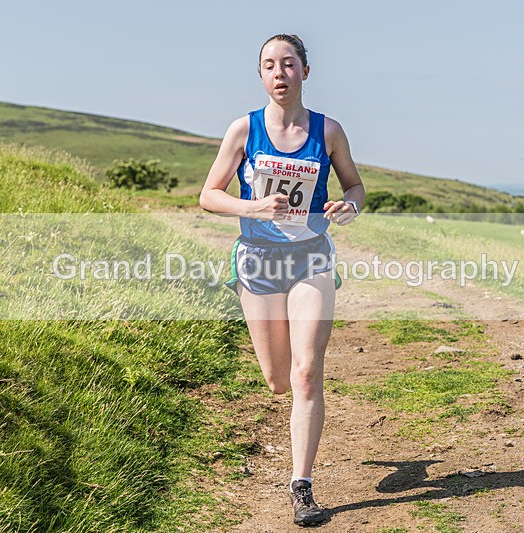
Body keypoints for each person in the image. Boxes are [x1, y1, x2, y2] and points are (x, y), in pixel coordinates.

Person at [199, 33, 365, 527]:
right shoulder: (243, 130)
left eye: (288, 64)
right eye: (269, 65)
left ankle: (302, 486)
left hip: (312, 257)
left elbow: (355, 186)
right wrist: (251, 206)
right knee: (277, 378)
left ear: (304, 73)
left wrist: (348, 206)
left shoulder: (328, 131)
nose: (279, 73)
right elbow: (209, 194)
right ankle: (289, 390)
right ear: (260, 74)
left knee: (306, 372)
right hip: (258, 261)